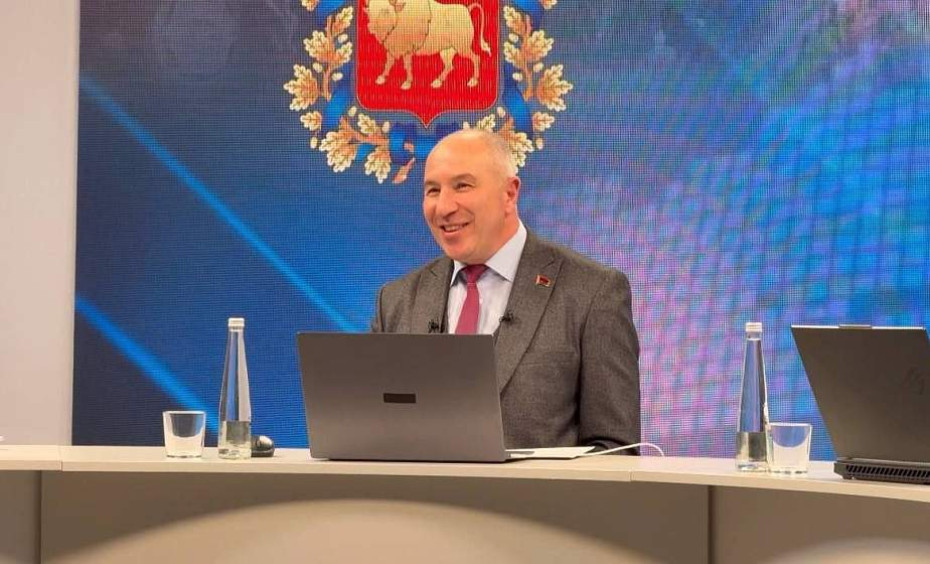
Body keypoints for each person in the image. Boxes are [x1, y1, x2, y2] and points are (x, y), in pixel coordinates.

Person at [370, 129, 640, 452]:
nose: (443, 207)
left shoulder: (592, 293)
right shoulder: (397, 301)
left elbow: (615, 450)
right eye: (432, 190)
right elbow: (373, 435)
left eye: (462, 186)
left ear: (509, 194)